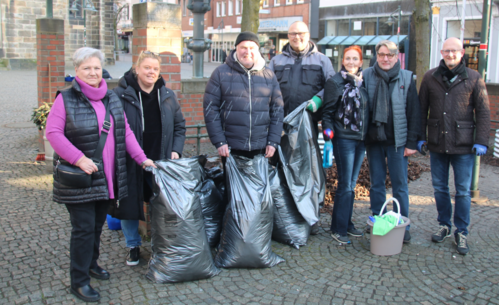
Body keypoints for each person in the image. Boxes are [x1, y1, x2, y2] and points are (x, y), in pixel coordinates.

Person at [46, 47, 155, 303]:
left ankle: (91, 265)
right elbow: (53, 134)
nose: (93, 73)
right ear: (77, 72)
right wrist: (79, 158)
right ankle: (79, 281)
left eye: (96, 68)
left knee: (96, 226)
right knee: (83, 229)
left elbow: (126, 131)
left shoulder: (112, 97)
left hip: (107, 177)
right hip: (80, 177)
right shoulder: (66, 98)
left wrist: (142, 158)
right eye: (87, 68)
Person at [418, 37, 490, 255]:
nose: (450, 54)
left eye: (454, 51)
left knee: (463, 192)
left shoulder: (475, 78)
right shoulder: (430, 77)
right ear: (441, 52)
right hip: (438, 143)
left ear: (462, 53)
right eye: (447, 51)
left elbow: (484, 111)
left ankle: (462, 231)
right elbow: (421, 110)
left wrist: (481, 141)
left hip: (464, 145)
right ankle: (444, 225)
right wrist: (420, 137)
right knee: (440, 188)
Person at [113, 50, 187, 266]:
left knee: (160, 204)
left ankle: (159, 244)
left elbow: (180, 126)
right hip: (130, 160)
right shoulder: (120, 95)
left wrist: (176, 149)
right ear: (136, 69)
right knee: (129, 206)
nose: (151, 72)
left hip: (160, 160)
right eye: (147, 67)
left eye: (155, 69)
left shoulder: (167, 95)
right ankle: (133, 246)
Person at [268, 21, 335, 234]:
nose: (297, 37)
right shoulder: (276, 61)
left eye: (301, 33)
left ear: (308, 35)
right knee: (279, 170)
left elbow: (333, 87)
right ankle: (281, 217)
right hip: (280, 126)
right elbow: (266, 87)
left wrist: (319, 99)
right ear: (288, 36)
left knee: (308, 172)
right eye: (293, 34)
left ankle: (310, 218)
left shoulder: (322, 61)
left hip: (308, 127)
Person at [363, 40, 421, 244]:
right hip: (374, 141)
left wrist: (412, 143)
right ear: (376, 56)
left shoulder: (406, 77)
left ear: (397, 57)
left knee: (400, 186)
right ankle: (379, 221)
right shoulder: (367, 75)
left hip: (398, 142)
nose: (385, 58)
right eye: (381, 55)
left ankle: (402, 225)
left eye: (389, 55)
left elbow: (414, 111)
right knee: (376, 185)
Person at [203, 31, 284, 162]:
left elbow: (277, 110)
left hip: (261, 147)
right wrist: (219, 141)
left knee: (259, 182)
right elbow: (210, 109)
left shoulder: (269, 75)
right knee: (232, 183)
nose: (247, 52)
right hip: (230, 148)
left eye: (252, 48)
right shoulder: (220, 73)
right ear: (236, 49)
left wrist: (273, 141)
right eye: (243, 47)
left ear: (258, 50)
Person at [321, 45, 369, 244]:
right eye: (347, 59)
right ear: (342, 61)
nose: (351, 62)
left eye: (354, 59)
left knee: (351, 184)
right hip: (343, 139)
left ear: (361, 62)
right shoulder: (335, 82)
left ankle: (347, 224)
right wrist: (328, 135)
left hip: (361, 139)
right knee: (345, 185)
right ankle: (338, 228)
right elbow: (328, 113)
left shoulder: (364, 82)